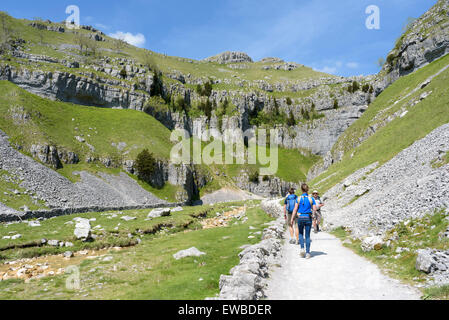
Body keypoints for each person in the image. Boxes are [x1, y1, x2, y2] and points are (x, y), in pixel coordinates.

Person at [291, 183, 316, 259]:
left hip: (300, 217)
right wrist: (313, 215)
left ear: (301, 190)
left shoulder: (298, 199)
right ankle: (308, 253)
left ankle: (302, 248)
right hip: (308, 217)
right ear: (308, 189)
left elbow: (295, 209)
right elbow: (314, 209)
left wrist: (292, 218)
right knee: (307, 236)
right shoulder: (311, 199)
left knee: (301, 234)